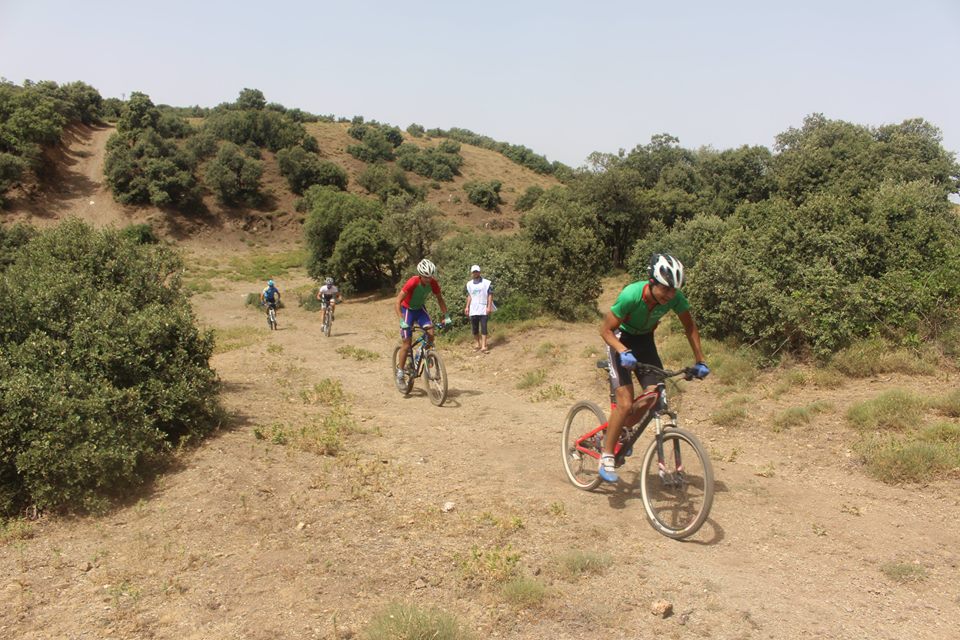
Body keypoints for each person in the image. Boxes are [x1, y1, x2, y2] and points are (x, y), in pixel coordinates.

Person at [598, 254, 710, 483]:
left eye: (674, 290)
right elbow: (605, 331)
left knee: (654, 394)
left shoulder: (674, 299)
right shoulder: (631, 295)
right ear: (652, 281)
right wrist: (622, 351)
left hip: (644, 341)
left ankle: (619, 431)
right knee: (626, 402)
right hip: (620, 338)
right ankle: (606, 454)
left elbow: (689, 326)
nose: (670, 295)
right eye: (666, 289)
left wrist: (700, 361)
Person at [395, 259, 451, 384]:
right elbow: (397, 301)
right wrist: (401, 320)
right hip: (407, 310)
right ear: (420, 275)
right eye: (426, 277)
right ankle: (400, 371)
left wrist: (446, 316)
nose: (428, 279)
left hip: (420, 310)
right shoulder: (412, 282)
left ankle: (422, 353)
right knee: (406, 343)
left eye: (430, 277)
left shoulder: (433, 283)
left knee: (431, 334)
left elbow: (440, 299)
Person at [463, 264, 494, 353]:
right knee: (475, 328)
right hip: (473, 308)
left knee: (484, 327)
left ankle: (484, 346)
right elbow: (469, 295)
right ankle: (477, 344)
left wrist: (489, 306)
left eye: (477, 271)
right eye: (474, 272)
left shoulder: (486, 283)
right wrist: (467, 307)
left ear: (479, 272)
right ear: (472, 273)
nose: (475, 273)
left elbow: (490, 294)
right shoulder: (469, 284)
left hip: (483, 307)